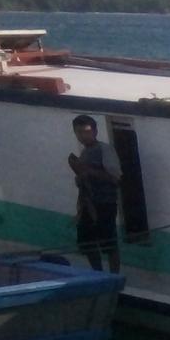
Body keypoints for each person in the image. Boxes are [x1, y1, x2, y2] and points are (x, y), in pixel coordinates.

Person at [67, 114, 122, 272]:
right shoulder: (85, 152)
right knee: (87, 242)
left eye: (86, 131)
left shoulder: (105, 150)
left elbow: (116, 178)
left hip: (105, 203)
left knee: (109, 243)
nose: (82, 136)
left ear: (95, 131)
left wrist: (88, 171)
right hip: (88, 203)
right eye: (78, 132)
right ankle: (98, 273)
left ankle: (113, 276)